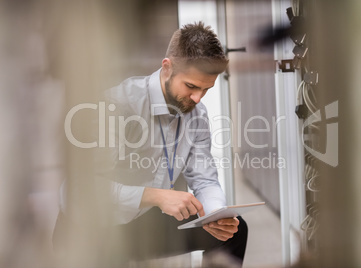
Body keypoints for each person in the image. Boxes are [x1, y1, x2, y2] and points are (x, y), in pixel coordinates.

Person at [54, 21, 248, 267]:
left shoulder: (196, 114)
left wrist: (214, 215)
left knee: (234, 232)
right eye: (191, 86)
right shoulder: (117, 106)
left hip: (142, 220)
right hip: (90, 228)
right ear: (167, 68)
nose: (198, 98)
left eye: (206, 89)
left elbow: (205, 179)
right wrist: (156, 196)